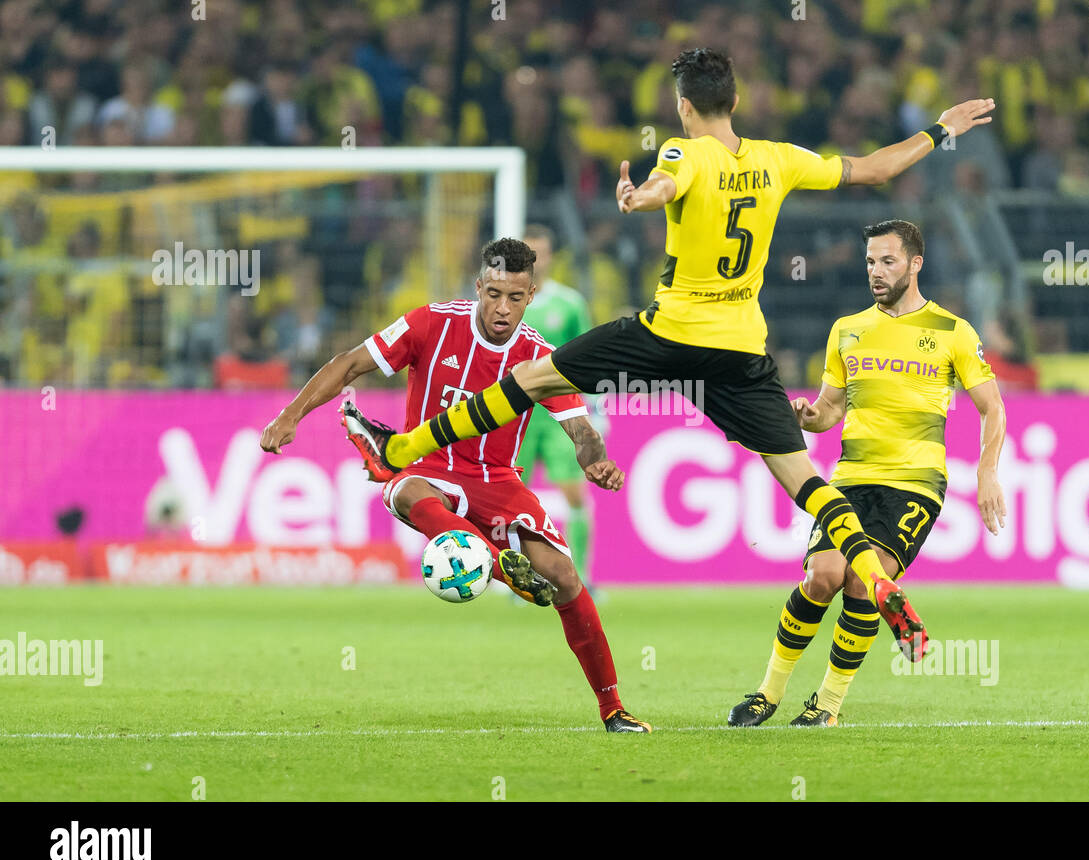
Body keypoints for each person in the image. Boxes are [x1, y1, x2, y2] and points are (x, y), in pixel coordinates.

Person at [348, 48, 997, 617]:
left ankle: (404, 451)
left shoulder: (685, 149)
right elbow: (878, 169)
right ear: (735, 100)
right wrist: (942, 128)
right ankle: (875, 576)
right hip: (742, 346)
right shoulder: (779, 158)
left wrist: (638, 199)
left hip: (670, 332)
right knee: (800, 474)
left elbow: (666, 182)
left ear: (685, 107)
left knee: (527, 379)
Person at [258, 237, 650, 733]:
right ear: (477, 287)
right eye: (493, 294)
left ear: (531, 295)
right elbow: (349, 363)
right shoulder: (431, 322)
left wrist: (595, 461)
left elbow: (581, 429)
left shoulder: (540, 357)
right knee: (405, 492)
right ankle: (501, 565)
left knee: (565, 578)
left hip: (498, 481)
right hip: (428, 468)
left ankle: (613, 708)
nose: (501, 308)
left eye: (514, 297)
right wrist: (290, 416)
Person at [729, 220, 1007, 727]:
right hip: (852, 478)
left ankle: (827, 706)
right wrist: (807, 416)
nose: (876, 273)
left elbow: (993, 408)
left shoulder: (952, 331)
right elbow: (831, 408)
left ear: (915, 263)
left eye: (888, 262)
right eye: (870, 263)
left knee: (860, 583)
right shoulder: (847, 329)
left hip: (915, 484)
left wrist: (987, 472)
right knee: (821, 577)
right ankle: (768, 694)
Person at [516, 224, 596, 581]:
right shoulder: (504, 301)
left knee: (573, 493)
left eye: (541, 252)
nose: (536, 260)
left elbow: (592, 360)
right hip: (513, 413)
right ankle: (514, 577)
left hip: (558, 414)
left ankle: (581, 576)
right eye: (529, 253)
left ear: (551, 257)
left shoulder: (570, 304)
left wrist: (597, 410)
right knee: (510, 497)